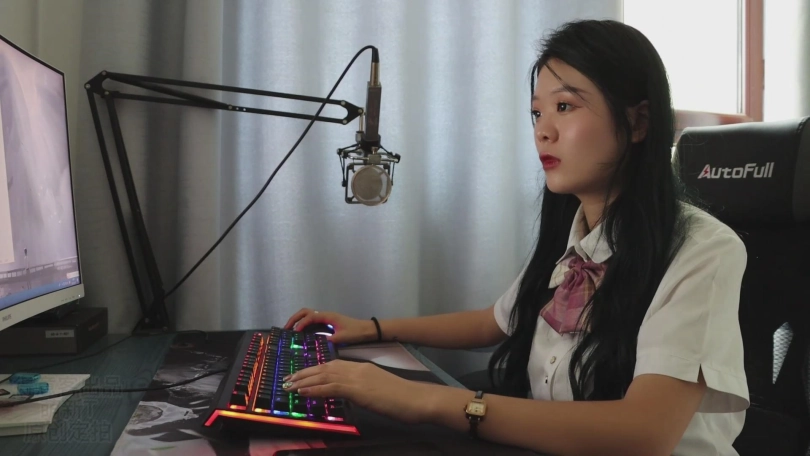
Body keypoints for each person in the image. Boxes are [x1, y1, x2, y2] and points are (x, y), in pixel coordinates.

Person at [283, 19, 749, 456]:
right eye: (536, 112)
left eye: (564, 107)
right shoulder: (574, 233)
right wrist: (371, 329)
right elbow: (498, 320)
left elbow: (645, 432)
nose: (543, 131)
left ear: (639, 122)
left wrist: (427, 401)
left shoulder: (703, 250)